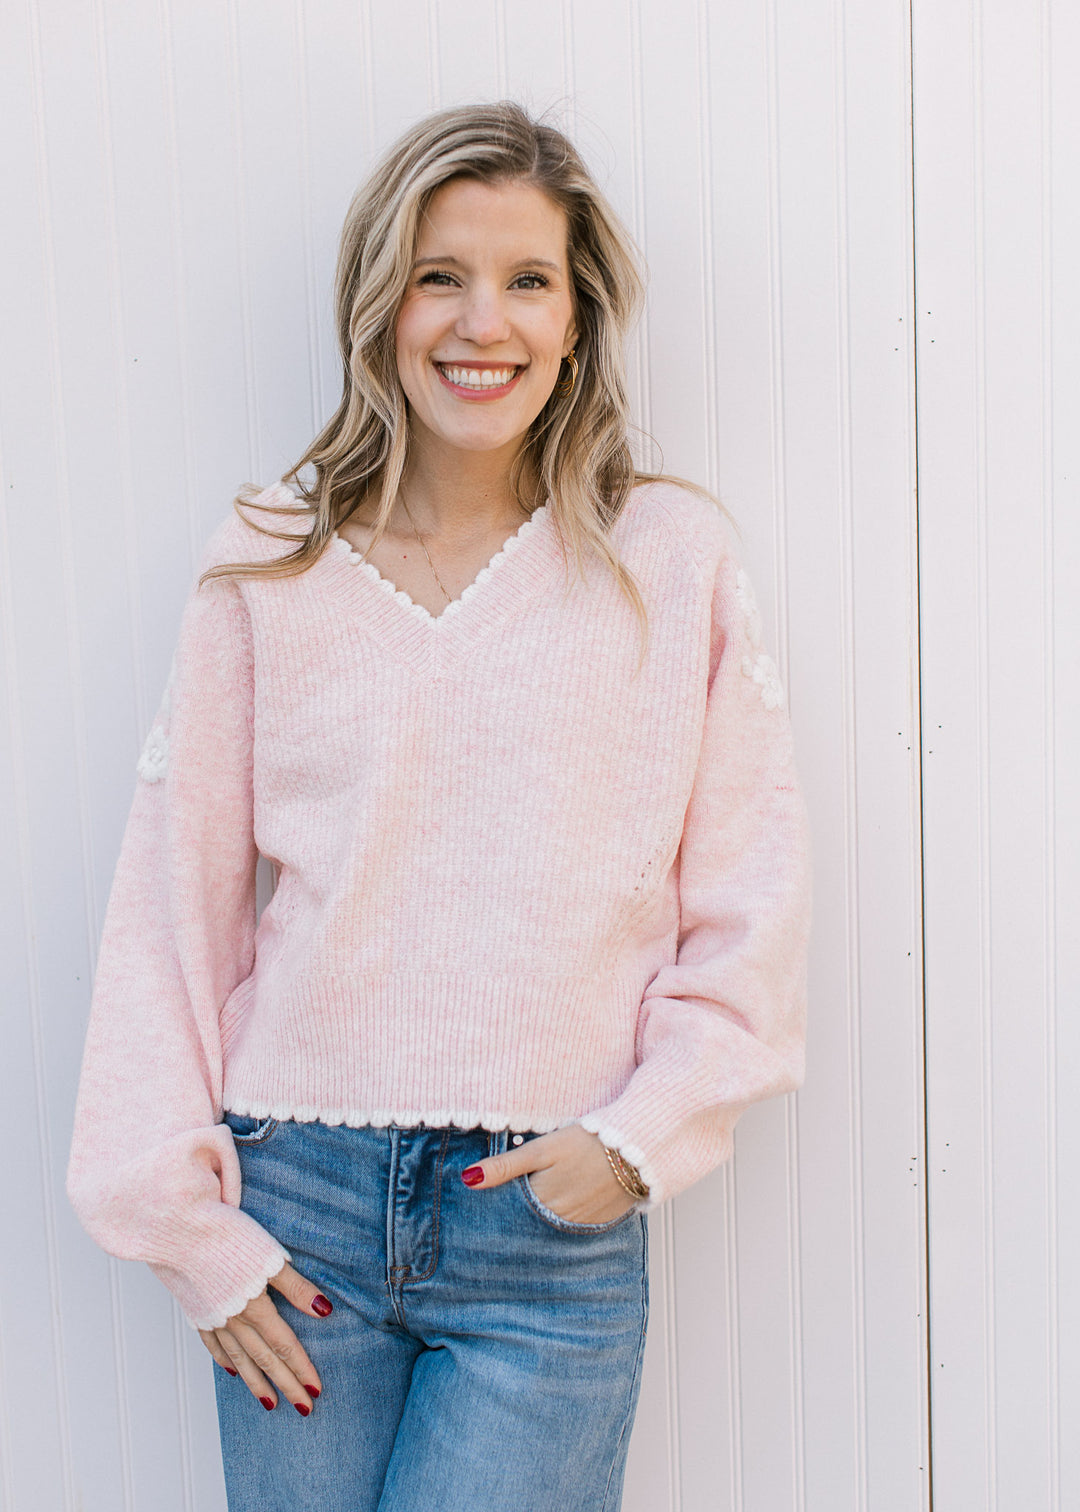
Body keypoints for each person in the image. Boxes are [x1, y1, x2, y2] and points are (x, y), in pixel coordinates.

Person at [66, 100, 812, 1512]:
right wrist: (187, 1231)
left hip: (547, 1225)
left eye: (528, 280)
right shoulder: (270, 559)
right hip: (300, 1217)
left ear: (580, 315)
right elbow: (171, 905)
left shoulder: (672, 557)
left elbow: (750, 899)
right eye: (439, 276)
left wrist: (644, 1137)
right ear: (381, 302)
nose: (485, 323)